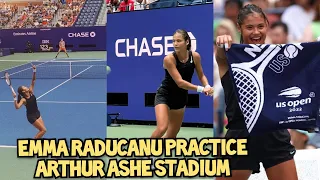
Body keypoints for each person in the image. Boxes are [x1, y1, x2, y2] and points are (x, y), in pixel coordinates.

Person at [215, 4, 298, 180]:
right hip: (239, 136)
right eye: (249, 27)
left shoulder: (278, 56)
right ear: (239, 27)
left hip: (274, 135)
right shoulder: (229, 55)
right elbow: (220, 56)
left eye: (260, 26)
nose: (256, 32)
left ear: (267, 25)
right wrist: (222, 42)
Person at [151, 29, 213, 139]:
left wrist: (207, 86)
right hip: (164, 95)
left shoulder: (195, 56)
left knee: (172, 134)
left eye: (178, 41)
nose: (175, 43)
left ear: (187, 42)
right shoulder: (169, 59)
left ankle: (158, 149)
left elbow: (201, 75)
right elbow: (180, 82)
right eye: (173, 41)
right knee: (162, 128)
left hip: (180, 98)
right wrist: (201, 89)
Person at [12, 65, 47, 139]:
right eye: (24, 87)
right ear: (23, 91)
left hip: (37, 113)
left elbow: (33, 81)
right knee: (43, 130)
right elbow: (17, 107)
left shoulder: (30, 91)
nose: (26, 86)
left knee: (42, 131)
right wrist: (15, 98)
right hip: (31, 117)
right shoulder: (23, 99)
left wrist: (34, 71)